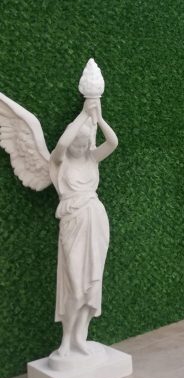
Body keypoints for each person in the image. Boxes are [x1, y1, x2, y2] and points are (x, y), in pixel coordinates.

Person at [49, 97, 118, 357]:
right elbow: (62, 144)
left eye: (84, 143)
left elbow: (113, 142)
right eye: (77, 144)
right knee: (75, 285)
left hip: (95, 219)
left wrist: (98, 118)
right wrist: (83, 114)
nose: (80, 148)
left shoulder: (92, 158)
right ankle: (66, 340)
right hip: (73, 222)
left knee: (92, 285)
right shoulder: (60, 162)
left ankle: (79, 338)